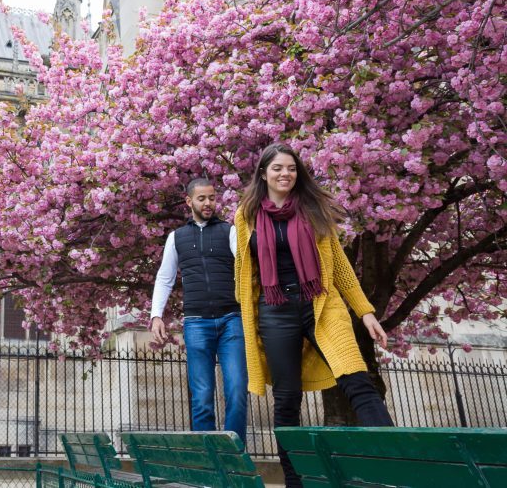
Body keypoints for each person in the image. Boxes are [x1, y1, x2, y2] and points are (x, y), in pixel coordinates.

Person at [233, 143, 394, 487]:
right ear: (263, 173)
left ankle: (395, 461)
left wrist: (365, 312)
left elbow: (339, 265)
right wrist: (247, 320)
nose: (285, 174)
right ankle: (295, 480)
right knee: (287, 399)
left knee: (357, 379)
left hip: (320, 302)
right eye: (277, 168)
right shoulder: (245, 216)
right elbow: (243, 275)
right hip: (275, 310)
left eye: (291, 168)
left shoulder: (311, 208)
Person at [150, 178, 248, 446]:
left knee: (238, 390)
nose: (208, 203)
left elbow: (245, 270)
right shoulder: (176, 237)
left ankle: (234, 455)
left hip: (232, 320)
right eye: (202, 198)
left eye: (212, 198)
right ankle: (210, 462)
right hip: (196, 324)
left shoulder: (230, 231)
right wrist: (156, 315)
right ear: (189, 201)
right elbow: (165, 278)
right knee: (202, 396)